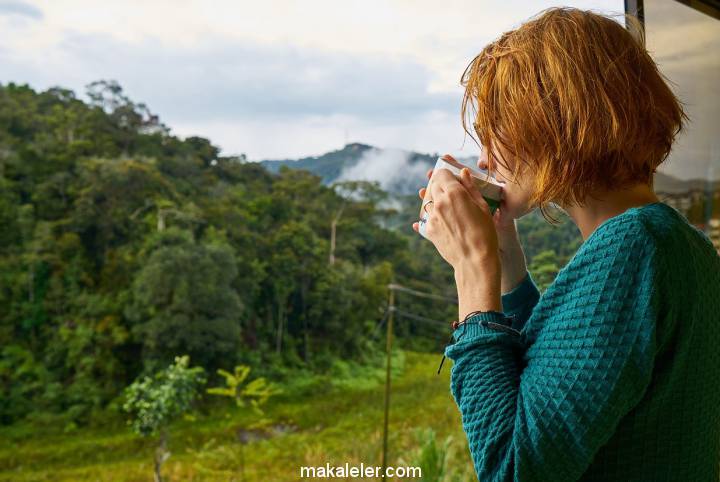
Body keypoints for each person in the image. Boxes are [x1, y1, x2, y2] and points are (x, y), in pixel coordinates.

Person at [412, 7, 720, 482]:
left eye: (498, 129)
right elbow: (556, 369)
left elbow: (511, 467)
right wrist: (502, 254)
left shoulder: (633, 250)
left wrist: (474, 272)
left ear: (552, 123)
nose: (485, 156)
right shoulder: (675, 242)